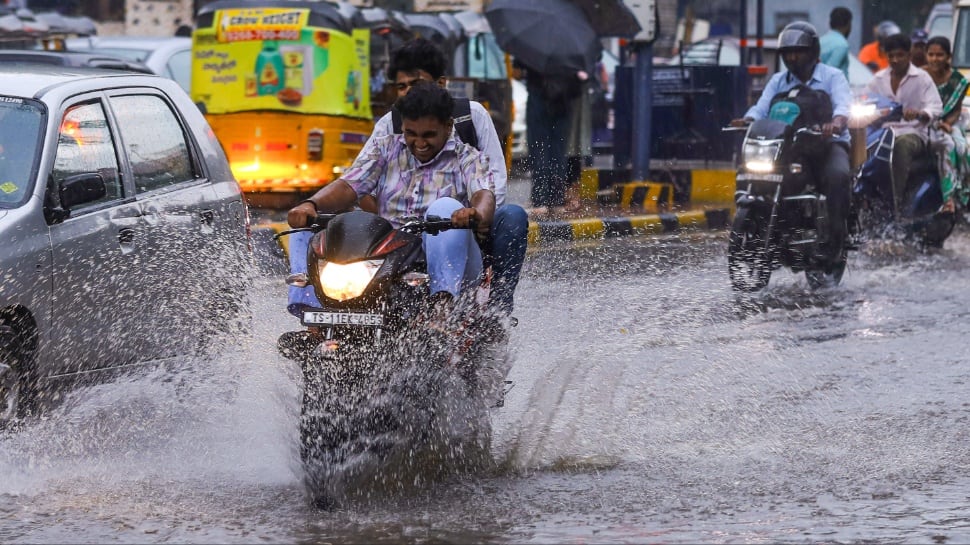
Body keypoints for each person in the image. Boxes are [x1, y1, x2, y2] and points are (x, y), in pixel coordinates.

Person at [287, 38, 528, 320]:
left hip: (457, 242)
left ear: (447, 123)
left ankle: (452, 309)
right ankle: (312, 312)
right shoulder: (386, 141)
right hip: (393, 251)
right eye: (411, 133)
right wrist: (310, 205)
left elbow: (487, 190)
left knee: (457, 209)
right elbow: (352, 184)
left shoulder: (467, 146)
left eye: (429, 134)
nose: (419, 142)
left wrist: (476, 215)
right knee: (308, 221)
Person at [731, 21, 853, 265]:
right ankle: (770, 228)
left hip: (827, 144)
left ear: (813, 52)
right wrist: (747, 120)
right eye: (788, 53)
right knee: (751, 172)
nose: (792, 58)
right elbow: (761, 108)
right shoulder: (778, 81)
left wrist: (836, 123)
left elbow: (843, 107)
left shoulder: (832, 77)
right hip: (790, 147)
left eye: (798, 52)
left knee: (838, 176)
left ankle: (837, 237)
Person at [864, 32, 943, 215]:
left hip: (913, 133)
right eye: (891, 56)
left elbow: (936, 107)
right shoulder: (878, 79)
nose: (895, 60)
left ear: (909, 54)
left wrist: (920, 113)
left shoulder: (922, 78)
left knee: (900, 147)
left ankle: (894, 205)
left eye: (900, 55)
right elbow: (864, 99)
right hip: (882, 133)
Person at [516, 59, 584, 211]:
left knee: (539, 149)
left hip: (539, 95)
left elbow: (519, 65)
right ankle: (557, 200)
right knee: (559, 151)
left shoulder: (535, 44)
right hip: (564, 99)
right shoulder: (572, 46)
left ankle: (541, 201)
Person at [924, 35, 968, 211]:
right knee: (946, 146)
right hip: (924, 123)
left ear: (948, 57)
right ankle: (947, 196)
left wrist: (947, 124)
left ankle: (964, 190)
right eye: (931, 54)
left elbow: (956, 109)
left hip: (949, 123)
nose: (935, 59)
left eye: (940, 55)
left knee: (961, 148)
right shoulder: (920, 75)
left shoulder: (959, 80)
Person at [819, 7, 853, 80]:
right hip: (835, 89)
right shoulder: (842, 45)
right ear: (848, 24)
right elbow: (829, 72)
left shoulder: (820, 41)